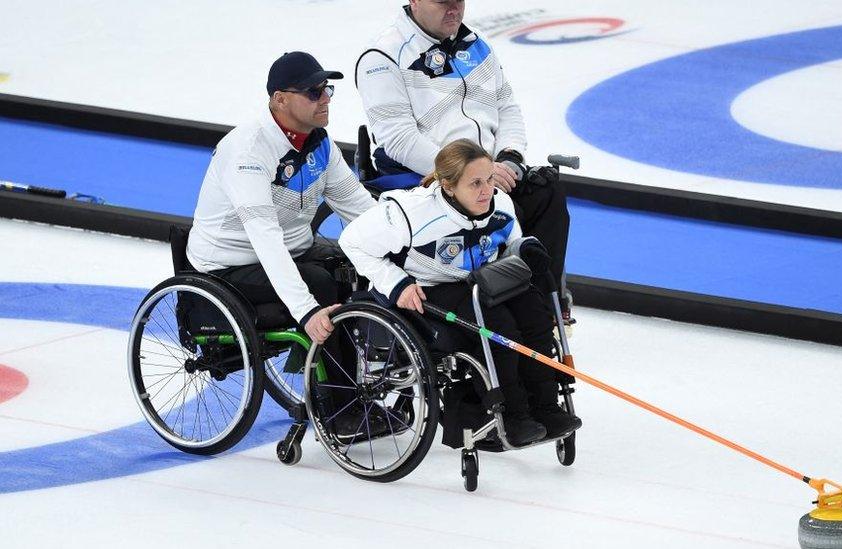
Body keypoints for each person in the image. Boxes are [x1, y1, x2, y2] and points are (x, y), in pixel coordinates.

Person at [185, 51, 383, 436]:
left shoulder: (319, 143)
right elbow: (265, 241)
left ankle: (357, 378)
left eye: (327, 89)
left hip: (294, 246)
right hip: (229, 263)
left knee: (353, 265)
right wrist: (307, 312)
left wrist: (411, 245)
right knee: (319, 285)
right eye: (313, 91)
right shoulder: (248, 152)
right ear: (280, 99)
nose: (325, 97)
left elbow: (361, 208)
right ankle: (340, 409)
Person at [339, 139, 581, 446]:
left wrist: (524, 248)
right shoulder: (412, 213)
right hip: (430, 286)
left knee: (536, 316)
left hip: (484, 280)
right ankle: (514, 415)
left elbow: (507, 248)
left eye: (490, 179)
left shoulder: (501, 205)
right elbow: (351, 242)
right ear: (449, 187)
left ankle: (545, 407)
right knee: (499, 327)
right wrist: (397, 283)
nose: (486, 190)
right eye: (476, 183)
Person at [355, 0, 574, 321]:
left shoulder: (477, 45)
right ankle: (498, 306)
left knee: (546, 192)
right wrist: (471, 173)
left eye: (458, 1)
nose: (454, 9)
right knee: (494, 205)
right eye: (442, 2)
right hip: (429, 177)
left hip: (488, 170)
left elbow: (507, 106)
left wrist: (510, 157)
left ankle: (541, 307)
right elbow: (399, 141)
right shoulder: (382, 56)